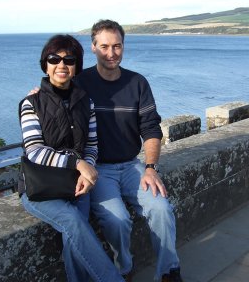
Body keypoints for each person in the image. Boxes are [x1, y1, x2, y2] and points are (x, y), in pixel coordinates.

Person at [75, 20, 183, 282]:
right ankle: (123, 268)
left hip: (131, 165)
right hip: (98, 168)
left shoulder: (137, 83)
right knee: (117, 220)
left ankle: (169, 272)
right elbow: (53, 99)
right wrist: (38, 92)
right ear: (93, 47)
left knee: (161, 209)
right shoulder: (81, 83)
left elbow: (151, 129)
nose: (111, 53)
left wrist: (150, 167)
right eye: (104, 47)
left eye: (117, 46)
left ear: (123, 46)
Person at [18, 34, 125, 282]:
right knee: (74, 222)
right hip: (40, 188)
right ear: (45, 64)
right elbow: (34, 150)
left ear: (77, 66)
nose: (61, 65)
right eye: (54, 59)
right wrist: (78, 163)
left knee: (73, 239)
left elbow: (92, 144)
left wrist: (86, 171)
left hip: (77, 185)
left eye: (69, 59)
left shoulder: (85, 103)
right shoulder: (31, 103)